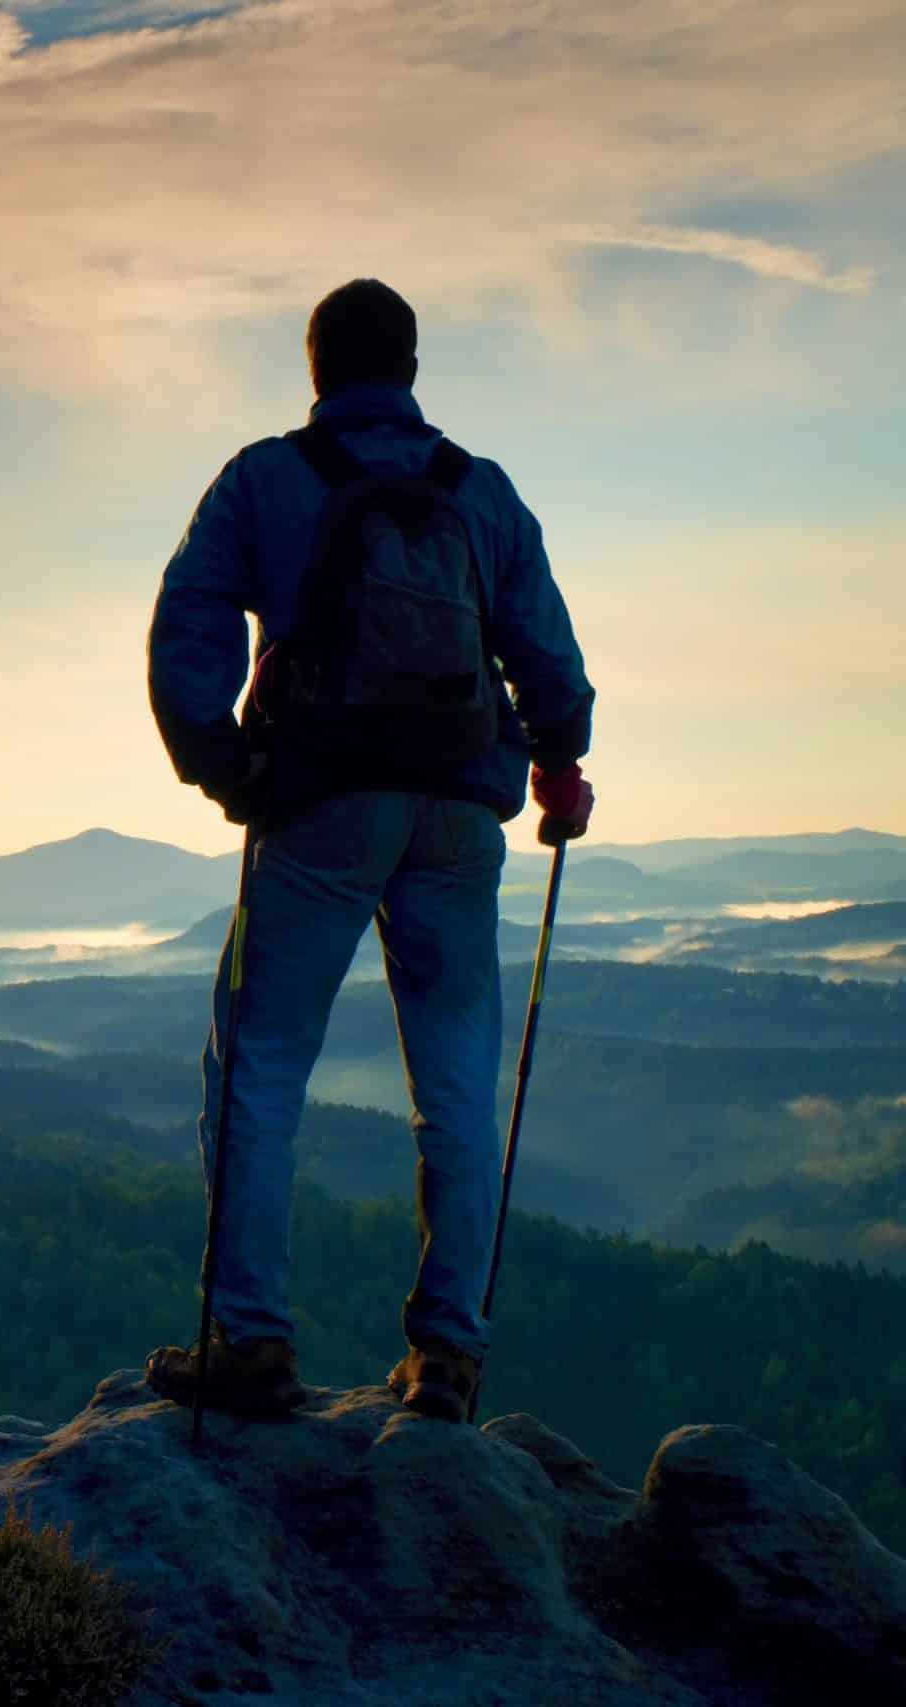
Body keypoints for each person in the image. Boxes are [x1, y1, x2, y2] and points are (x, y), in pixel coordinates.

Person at [140, 279, 597, 1425]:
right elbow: (549, 659)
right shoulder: (478, 493)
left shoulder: (265, 480)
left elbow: (188, 621)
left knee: (256, 1069)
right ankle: (446, 1356)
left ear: (316, 368)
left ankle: (250, 1342)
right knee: (455, 1088)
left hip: (318, 808)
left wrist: (221, 764)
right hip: (455, 813)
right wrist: (558, 760)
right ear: (409, 367)